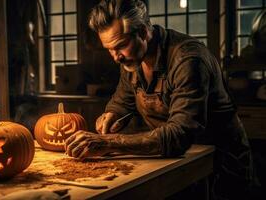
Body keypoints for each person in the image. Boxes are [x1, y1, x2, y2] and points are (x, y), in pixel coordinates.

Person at [64, 0, 256, 199]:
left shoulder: (188, 60)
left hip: (218, 167)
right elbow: (122, 100)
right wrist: (112, 114)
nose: (116, 57)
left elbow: (180, 134)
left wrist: (110, 143)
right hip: (175, 162)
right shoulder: (132, 58)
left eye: (120, 46)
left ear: (144, 32)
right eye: (109, 49)